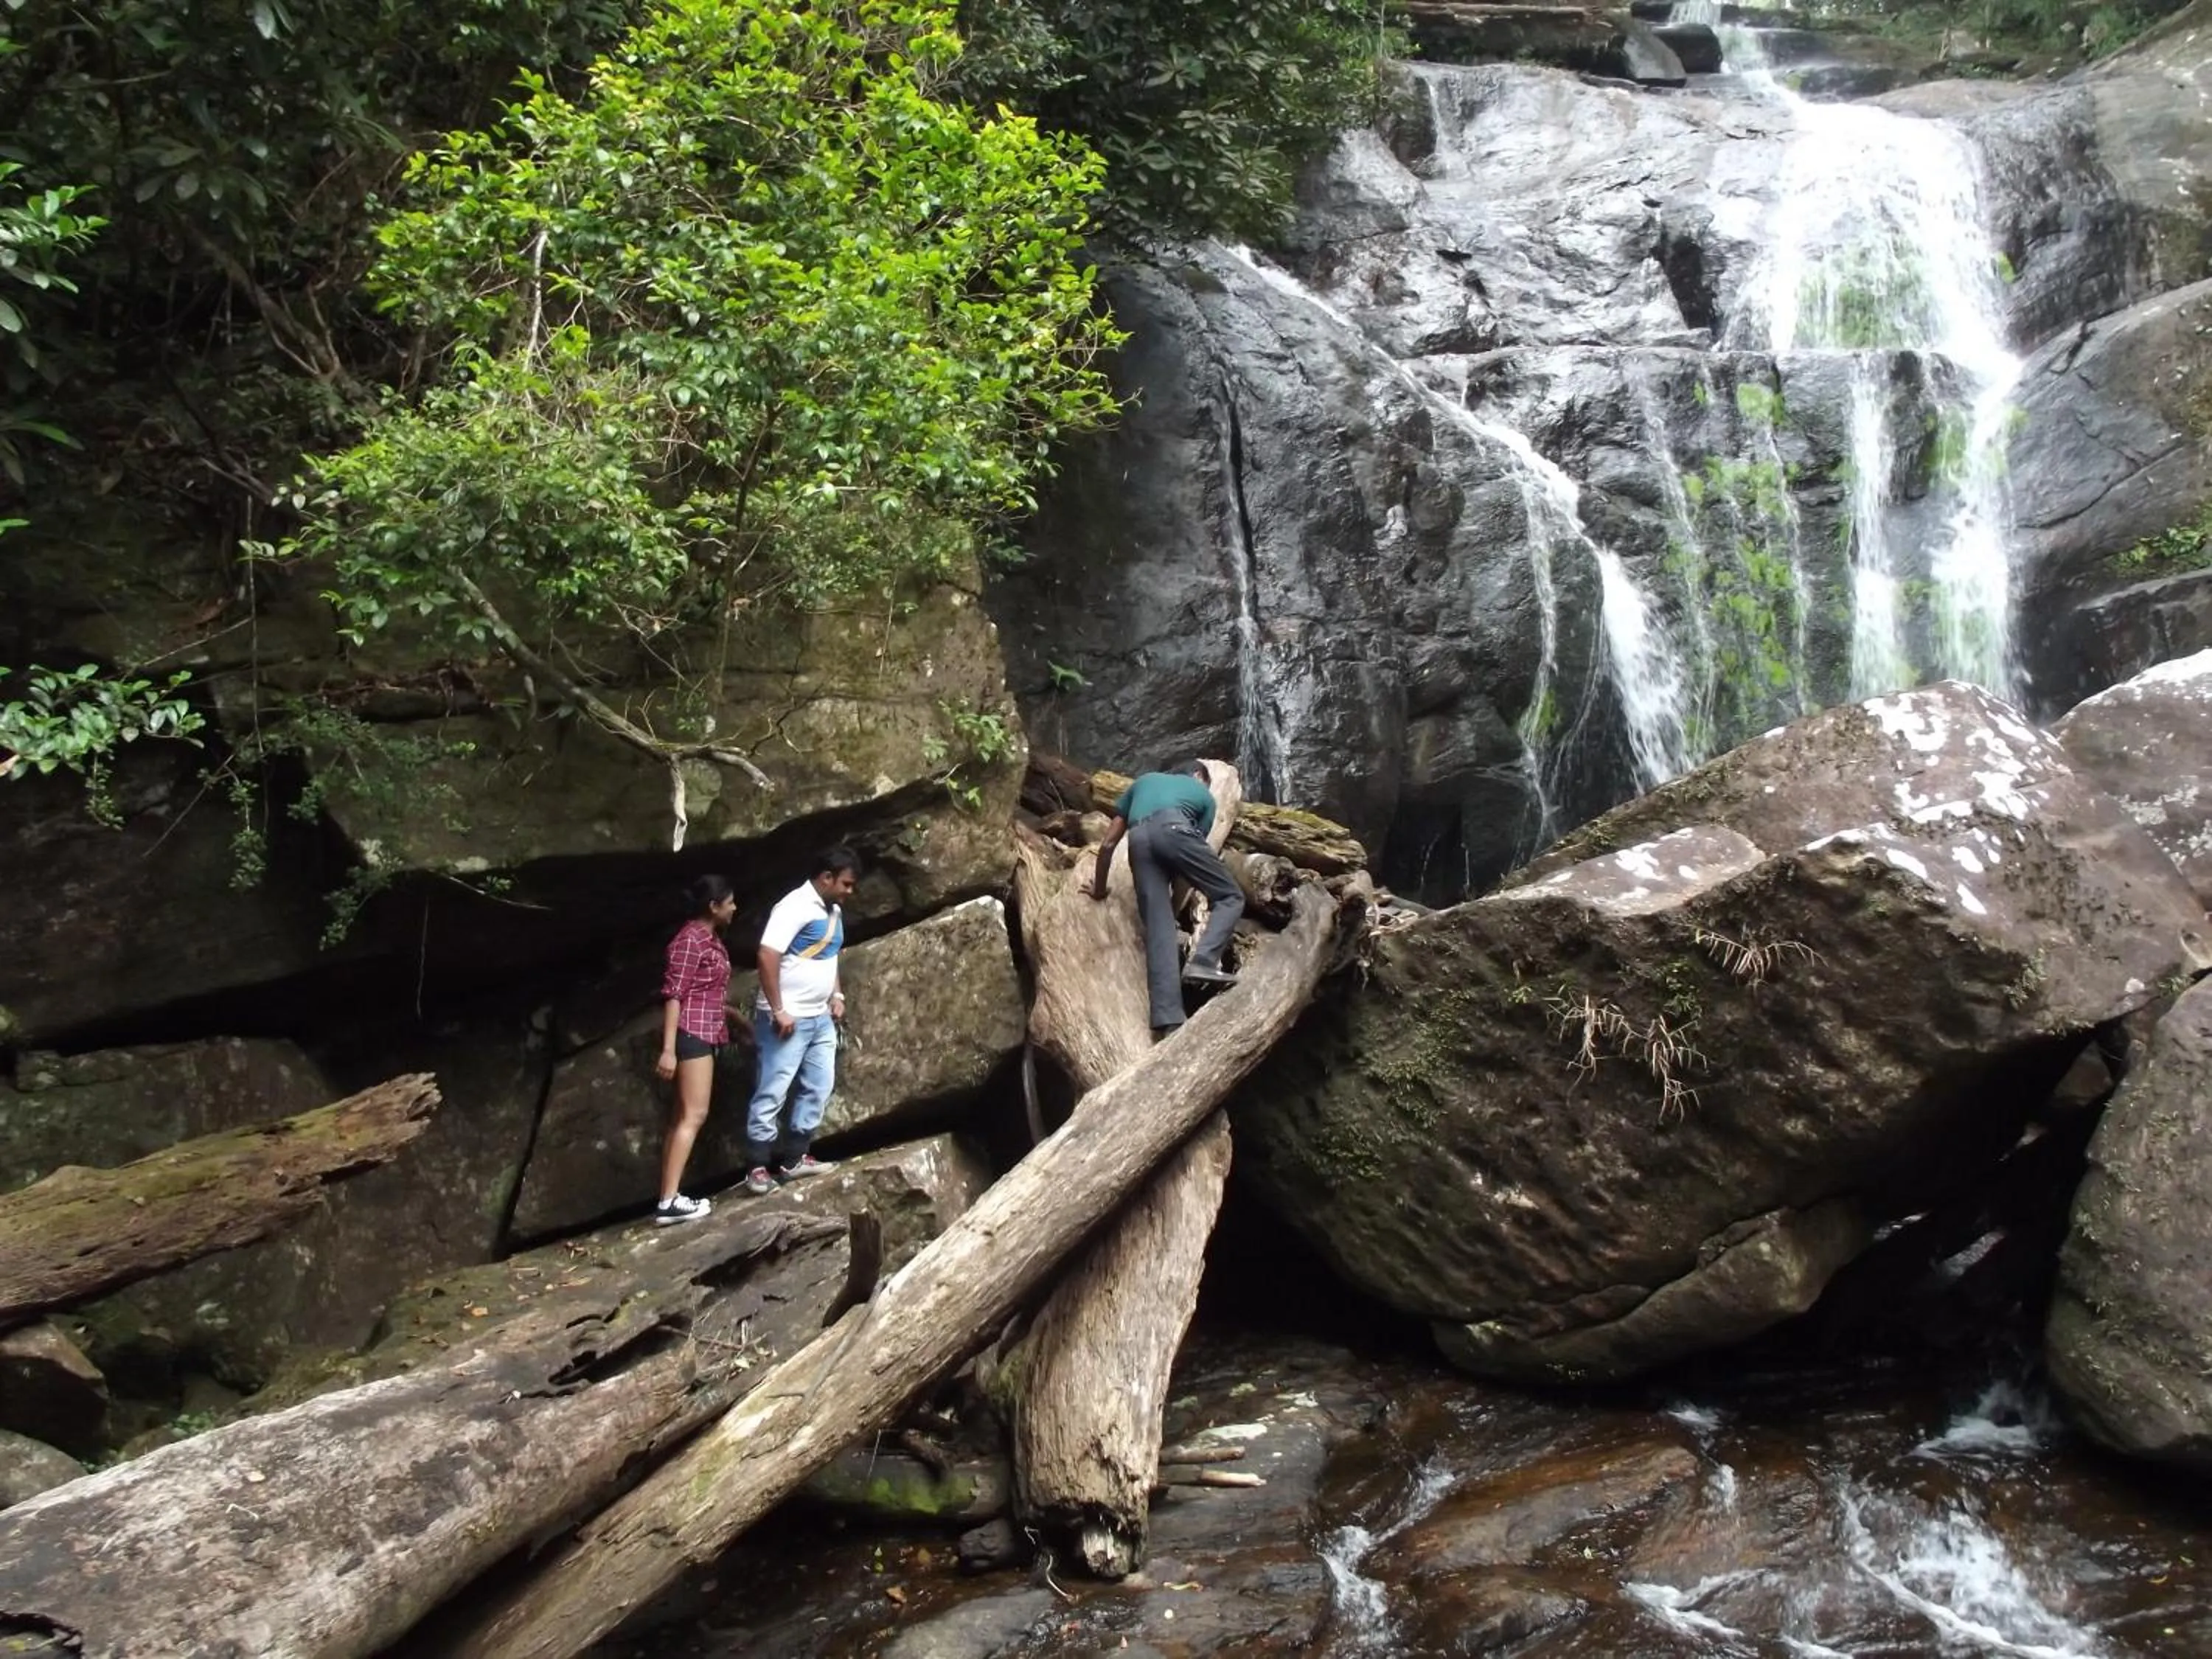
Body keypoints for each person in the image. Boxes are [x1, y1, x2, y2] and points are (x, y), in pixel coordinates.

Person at [1090, 760, 1244, 1039]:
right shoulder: (1203, 795)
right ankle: (1204, 961)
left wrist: (1099, 890)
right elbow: (1188, 863)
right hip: (1175, 830)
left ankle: (1169, 1020)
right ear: (1197, 775)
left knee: (1159, 930)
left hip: (1138, 842)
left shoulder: (1143, 782)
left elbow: (1108, 843)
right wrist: (1176, 906)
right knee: (1230, 896)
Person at [742, 846, 860, 1195]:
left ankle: (795, 1158)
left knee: (819, 1085)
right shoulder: (793, 906)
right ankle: (757, 1166)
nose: (850, 891)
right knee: (773, 1087)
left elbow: (828, 955)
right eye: (846, 884)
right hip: (787, 1017)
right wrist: (779, 1009)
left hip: (820, 1016)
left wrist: (836, 995)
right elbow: (767, 954)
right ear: (826, 877)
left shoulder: (833, 911)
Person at [653, 873, 744, 1225]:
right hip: (692, 1033)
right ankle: (668, 1202)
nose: (735, 908)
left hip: (706, 1030)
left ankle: (668, 1195)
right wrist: (668, 1050)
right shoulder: (690, 940)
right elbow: (674, 995)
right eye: (730, 902)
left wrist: (738, 1021)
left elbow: (707, 992)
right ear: (713, 906)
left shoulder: (710, 939)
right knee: (694, 1114)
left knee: (682, 1116)